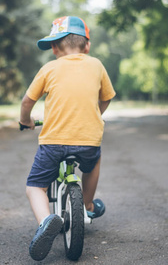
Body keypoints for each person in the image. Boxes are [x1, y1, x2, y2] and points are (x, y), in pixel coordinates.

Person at [19, 16, 116, 261]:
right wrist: (95, 113)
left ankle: (46, 221)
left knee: (35, 186)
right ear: (87, 46)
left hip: (53, 143)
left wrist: (26, 121)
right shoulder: (97, 65)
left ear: (54, 48)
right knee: (92, 165)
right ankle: (88, 205)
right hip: (88, 140)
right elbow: (106, 97)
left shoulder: (49, 68)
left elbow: (27, 101)